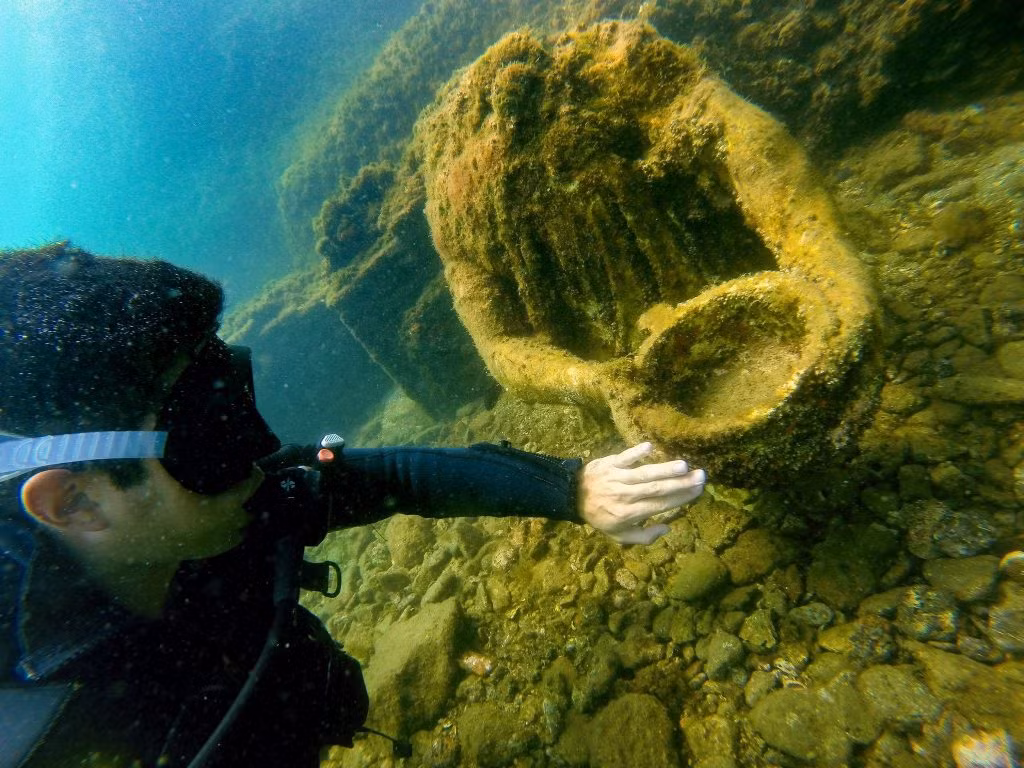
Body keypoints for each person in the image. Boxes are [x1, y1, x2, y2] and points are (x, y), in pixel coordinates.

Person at [0, 242, 706, 767]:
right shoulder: (36, 723)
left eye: (231, 391)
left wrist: (570, 488)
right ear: (75, 501)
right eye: (208, 432)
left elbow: (400, 474)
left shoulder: (233, 496)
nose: (261, 451)